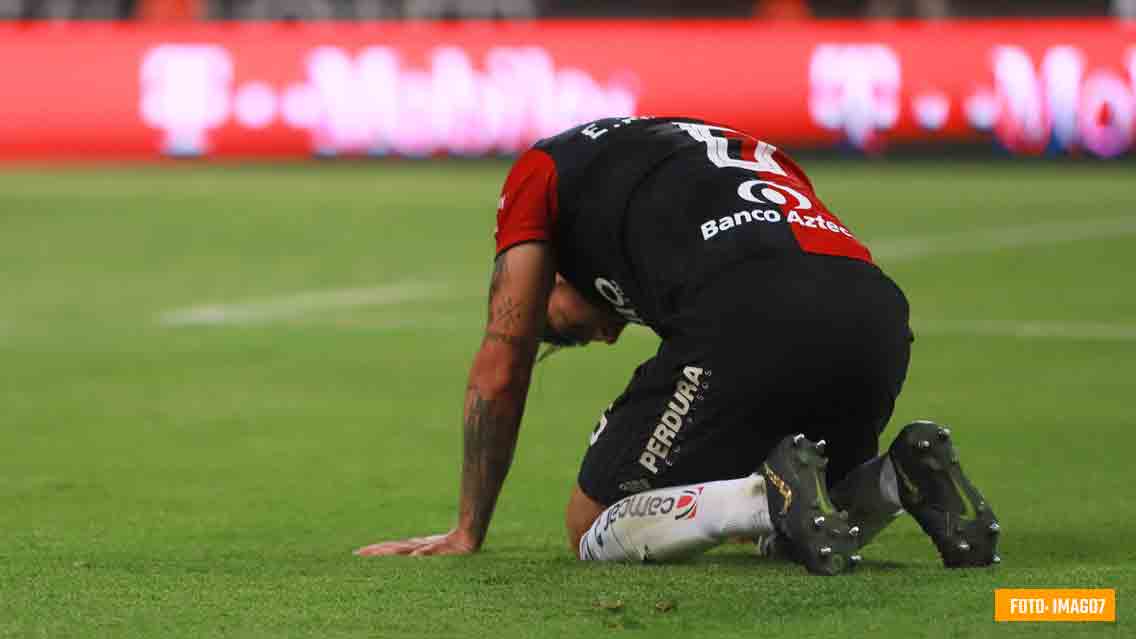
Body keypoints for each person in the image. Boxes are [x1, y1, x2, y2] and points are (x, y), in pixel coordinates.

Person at [355, 117, 1000, 574]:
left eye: (568, 329)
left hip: (749, 306)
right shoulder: (721, 152)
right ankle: (896, 480)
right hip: (875, 315)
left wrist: (468, 529)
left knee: (589, 524)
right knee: (809, 524)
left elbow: (502, 362)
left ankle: (762, 497)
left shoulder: (540, 171)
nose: (608, 333)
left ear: (553, 273)